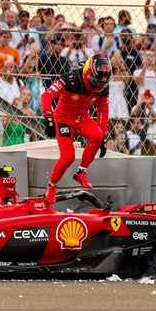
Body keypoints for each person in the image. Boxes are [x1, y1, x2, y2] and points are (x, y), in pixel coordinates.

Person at [40, 52, 111, 204]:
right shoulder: (70, 79)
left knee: (98, 136)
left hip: (82, 118)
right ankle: (51, 186)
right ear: (88, 72)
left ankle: (81, 172)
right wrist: (49, 118)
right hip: (63, 119)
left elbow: (103, 111)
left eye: (100, 85)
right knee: (67, 157)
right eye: (95, 84)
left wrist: (103, 135)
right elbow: (46, 96)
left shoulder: (103, 84)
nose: (97, 88)